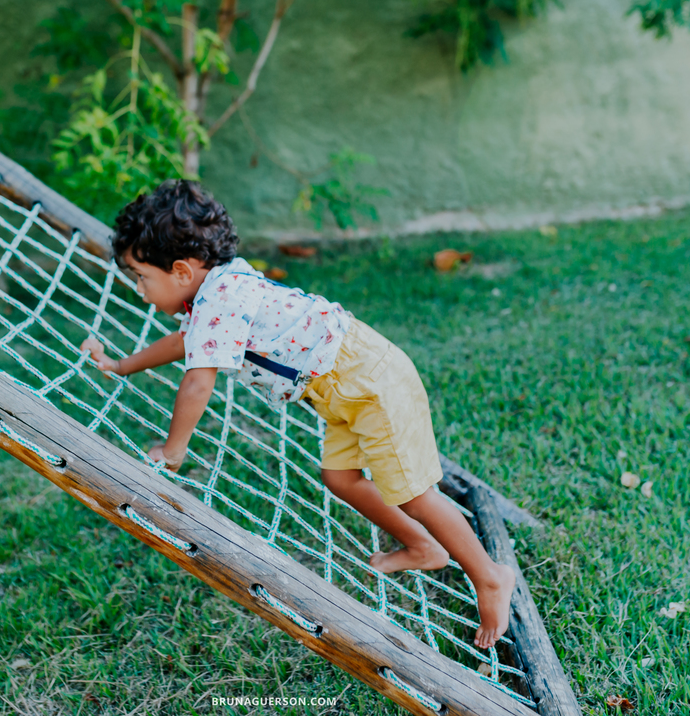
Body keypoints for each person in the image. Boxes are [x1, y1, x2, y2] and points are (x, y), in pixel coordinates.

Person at [79, 179, 515, 649]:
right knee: (340, 478)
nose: (141, 291)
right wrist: (124, 365)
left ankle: (490, 576)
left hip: (366, 380)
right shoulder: (212, 293)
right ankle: (424, 546)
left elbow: (198, 379)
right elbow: (184, 342)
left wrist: (173, 448)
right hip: (337, 387)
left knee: (413, 492)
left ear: (182, 270)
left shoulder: (221, 296)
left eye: (141, 278)